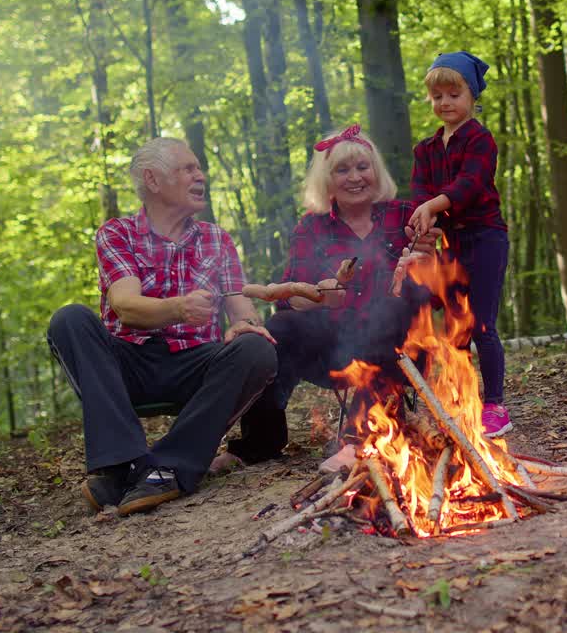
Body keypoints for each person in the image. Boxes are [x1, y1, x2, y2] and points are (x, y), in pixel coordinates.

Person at [47, 137, 276, 516]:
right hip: (128, 364)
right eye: (187, 168)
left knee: (257, 348)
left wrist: (245, 326)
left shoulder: (217, 240)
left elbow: (243, 310)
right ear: (152, 180)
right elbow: (125, 307)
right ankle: (125, 463)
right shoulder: (116, 233)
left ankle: (167, 466)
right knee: (69, 319)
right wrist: (179, 309)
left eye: (199, 168)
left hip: (195, 364)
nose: (199, 175)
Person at [213, 124, 439, 474]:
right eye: (342, 169)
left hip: (399, 350)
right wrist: (320, 298)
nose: (354, 178)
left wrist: (429, 263)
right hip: (335, 350)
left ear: (376, 172)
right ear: (327, 179)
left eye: (362, 167)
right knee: (280, 327)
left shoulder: (406, 215)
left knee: (393, 308)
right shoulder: (311, 228)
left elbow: (436, 297)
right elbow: (288, 299)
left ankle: (359, 439)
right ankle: (258, 445)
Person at [407, 51, 511, 437]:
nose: (445, 103)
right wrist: (421, 221)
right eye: (438, 97)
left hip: (484, 239)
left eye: (454, 94)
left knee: (482, 323)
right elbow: (420, 193)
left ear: (472, 96)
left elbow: (468, 186)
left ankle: (495, 405)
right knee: (455, 328)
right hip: (449, 244)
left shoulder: (480, 139)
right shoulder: (426, 149)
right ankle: (460, 401)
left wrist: (434, 206)